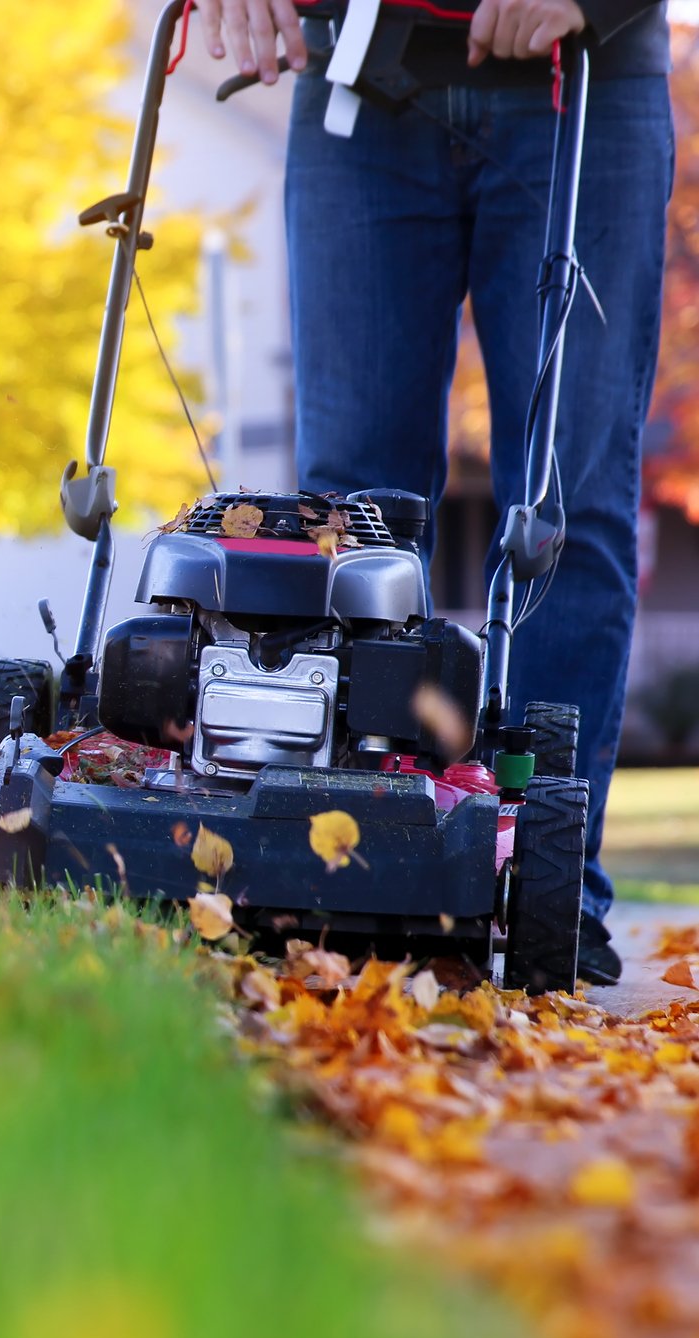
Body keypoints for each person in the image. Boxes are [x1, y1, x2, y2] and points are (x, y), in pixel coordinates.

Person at [190, 0, 670, 984]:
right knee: (351, 518)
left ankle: (550, 882)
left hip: (581, 82)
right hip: (363, 90)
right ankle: (349, 865)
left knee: (561, 506)